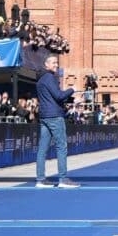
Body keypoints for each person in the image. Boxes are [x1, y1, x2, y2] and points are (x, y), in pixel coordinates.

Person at [35, 54, 80, 188]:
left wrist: (72, 100)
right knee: (61, 146)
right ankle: (63, 179)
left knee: (42, 149)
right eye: (53, 62)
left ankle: (40, 179)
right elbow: (59, 95)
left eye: (57, 62)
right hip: (54, 116)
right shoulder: (49, 77)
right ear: (46, 64)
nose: (56, 65)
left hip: (44, 116)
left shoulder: (41, 79)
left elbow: (52, 97)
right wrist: (73, 89)